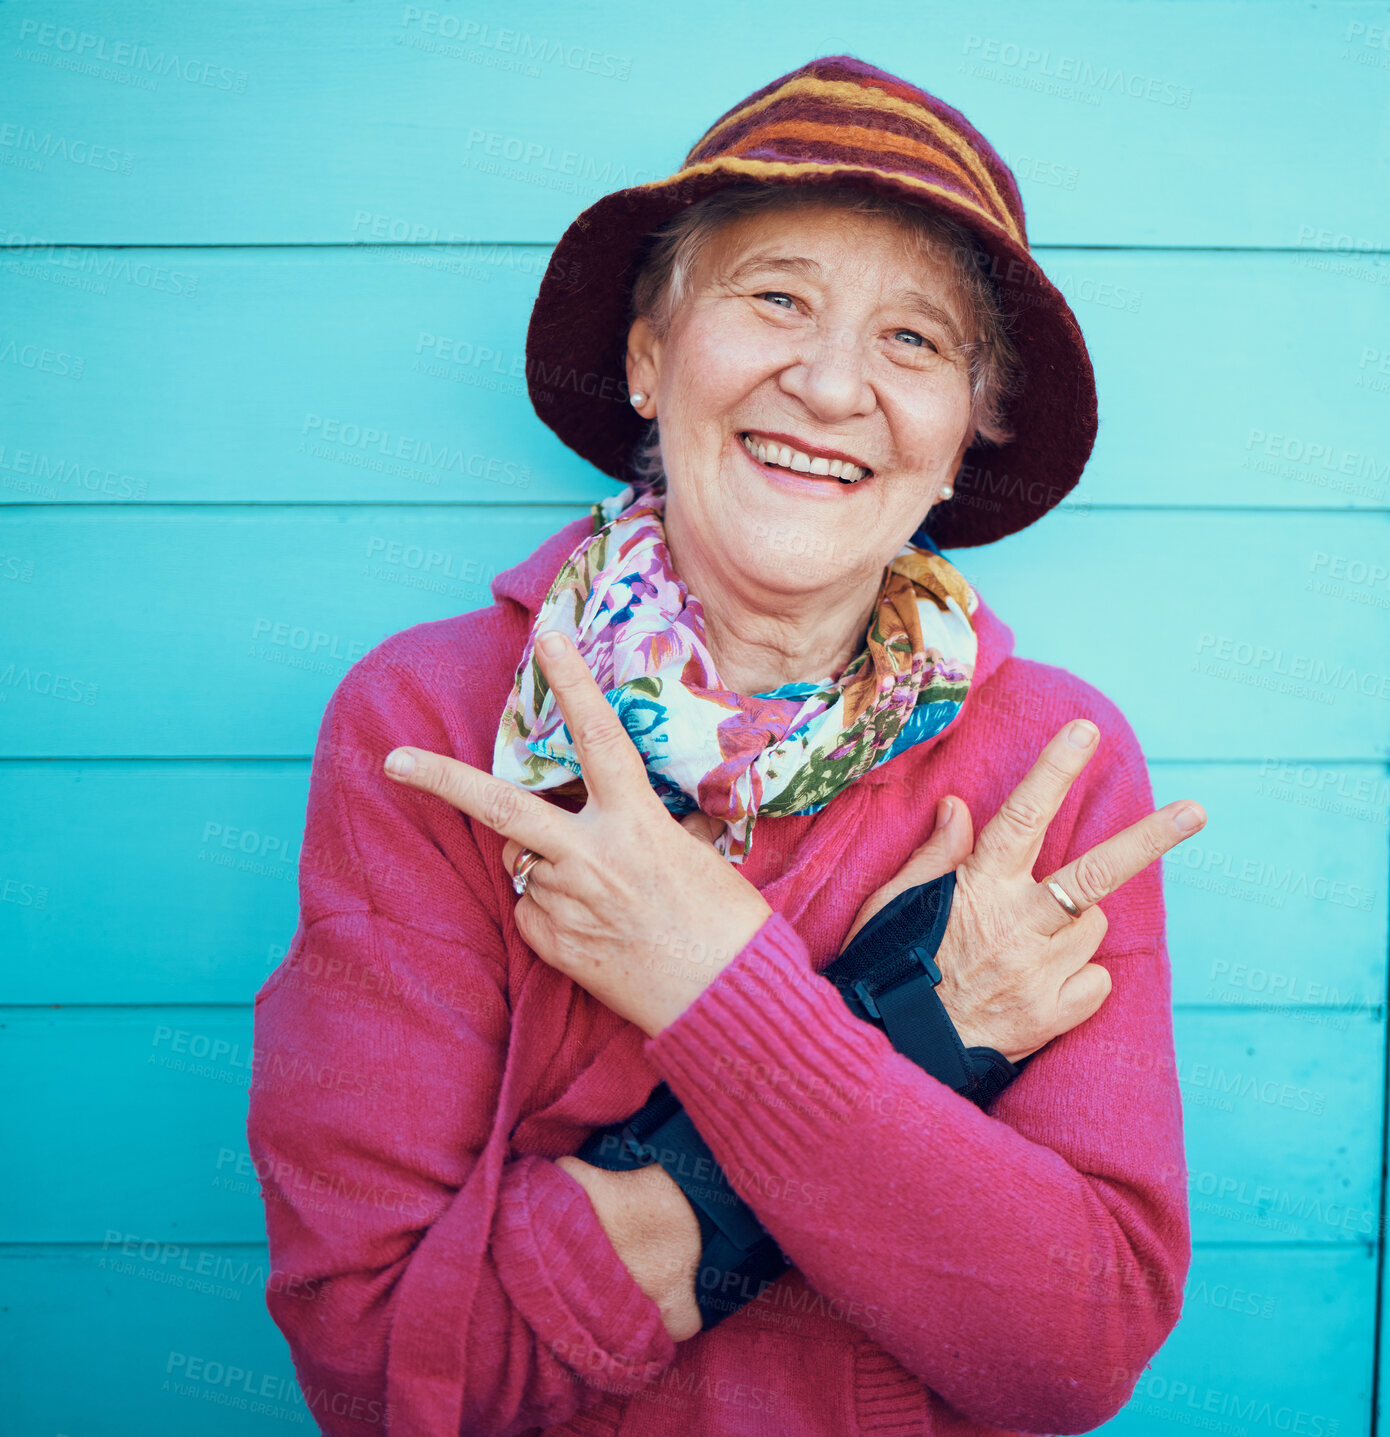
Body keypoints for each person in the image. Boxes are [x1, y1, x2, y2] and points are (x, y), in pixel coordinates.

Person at [248, 54, 1205, 1437]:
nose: (826, 384)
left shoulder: (1050, 759)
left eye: (913, 341)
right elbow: (388, 1365)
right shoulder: (434, 721)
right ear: (648, 354)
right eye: (774, 299)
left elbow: (1068, 1351)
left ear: (961, 439)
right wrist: (922, 1042)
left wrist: (706, 979)